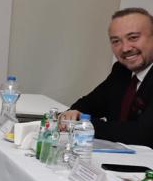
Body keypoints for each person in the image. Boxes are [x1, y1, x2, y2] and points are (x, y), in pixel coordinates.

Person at [63, 7, 153, 145]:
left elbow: (143, 134)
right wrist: (71, 115)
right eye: (116, 41)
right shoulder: (121, 71)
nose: (125, 48)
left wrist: (83, 124)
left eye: (133, 38)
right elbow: (86, 105)